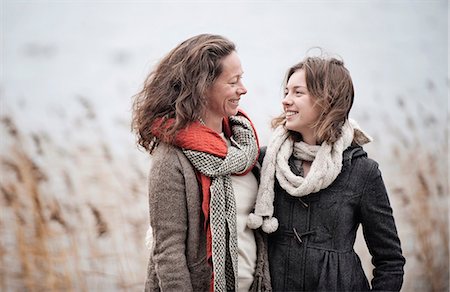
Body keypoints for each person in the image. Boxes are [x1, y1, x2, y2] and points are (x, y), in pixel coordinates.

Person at [247, 55, 405, 291]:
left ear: (326, 100)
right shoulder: (266, 161)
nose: (286, 101)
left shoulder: (362, 171)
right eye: (286, 92)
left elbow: (390, 261)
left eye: (297, 93)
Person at [132, 34, 271, 292]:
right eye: (233, 81)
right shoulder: (171, 158)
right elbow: (168, 252)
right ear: (203, 87)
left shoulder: (244, 147)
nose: (244, 88)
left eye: (242, 78)